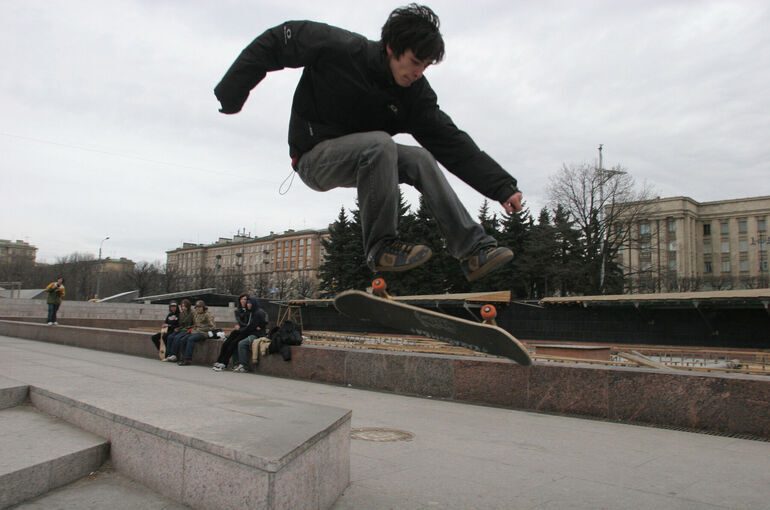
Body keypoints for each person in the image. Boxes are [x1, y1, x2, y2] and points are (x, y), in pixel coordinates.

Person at [214, 3, 524, 282]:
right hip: (313, 157)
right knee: (379, 144)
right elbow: (277, 40)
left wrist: (501, 186)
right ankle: (381, 248)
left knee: (420, 158)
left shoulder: (413, 95)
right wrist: (233, 91)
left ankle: (472, 249)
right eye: (415, 62)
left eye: (425, 66)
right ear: (391, 47)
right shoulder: (341, 49)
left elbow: (451, 142)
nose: (418, 73)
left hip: (366, 158)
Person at [212, 294, 256, 371]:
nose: (243, 301)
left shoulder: (250, 311)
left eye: (245, 299)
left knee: (233, 343)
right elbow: (239, 321)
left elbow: (248, 324)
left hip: (246, 331)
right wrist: (240, 326)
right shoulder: (237, 310)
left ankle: (224, 363)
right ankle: (219, 360)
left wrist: (241, 325)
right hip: (240, 330)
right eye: (242, 299)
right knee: (227, 342)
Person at [176, 300, 217, 366]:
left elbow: (213, 327)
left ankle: (187, 359)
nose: (198, 309)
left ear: (203, 307)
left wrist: (201, 329)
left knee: (191, 339)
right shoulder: (196, 314)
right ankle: (184, 357)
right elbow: (195, 324)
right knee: (183, 339)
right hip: (195, 331)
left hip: (204, 333)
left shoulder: (207, 315)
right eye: (197, 307)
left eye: (200, 307)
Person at [232, 300, 269, 372]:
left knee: (241, 343)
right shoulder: (253, 312)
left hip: (257, 335)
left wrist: (241, 330)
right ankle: (236, 363)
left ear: (253, 304)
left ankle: (243, 365)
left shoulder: (257, 313)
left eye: (249, 303)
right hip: (252, 332)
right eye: (248, 303)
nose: (248, 305)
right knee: (235, 341)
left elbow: (252, 326)